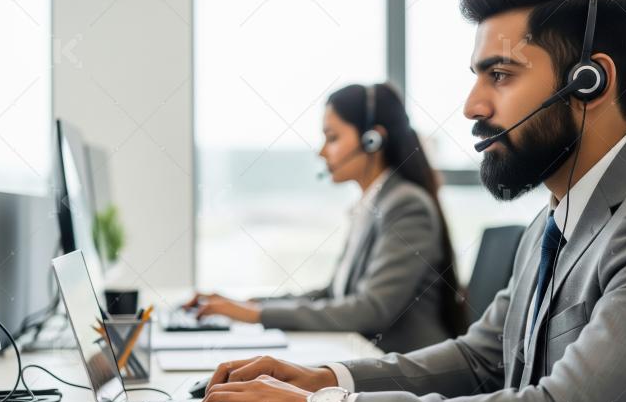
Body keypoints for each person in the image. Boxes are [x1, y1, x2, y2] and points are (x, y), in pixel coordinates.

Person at [195, 0, 626, 402]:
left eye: (500, 75)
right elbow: (482, 358)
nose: (471, 105)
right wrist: (328, 378)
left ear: (590, 81)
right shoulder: (553, 223)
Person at [185, 83, 467, 353]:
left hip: (408, 372)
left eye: (332, 137)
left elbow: (372, 310)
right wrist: (251, 304)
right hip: (369, 356)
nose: (321, 151)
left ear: (372, 140)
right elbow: (332, 294)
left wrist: (256, 314)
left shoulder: (405, 205)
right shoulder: (370, 205)